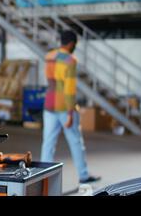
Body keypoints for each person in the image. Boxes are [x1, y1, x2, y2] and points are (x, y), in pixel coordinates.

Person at [40, 30, 100, 184]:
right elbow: (69, 88)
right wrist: (70, 112)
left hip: (49, 103)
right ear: (72, 44)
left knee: (48, 142)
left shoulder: (49, 56)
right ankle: (83, 175)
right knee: (75, 141)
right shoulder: (70, 60)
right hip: (63, 105)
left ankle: (42, 178)